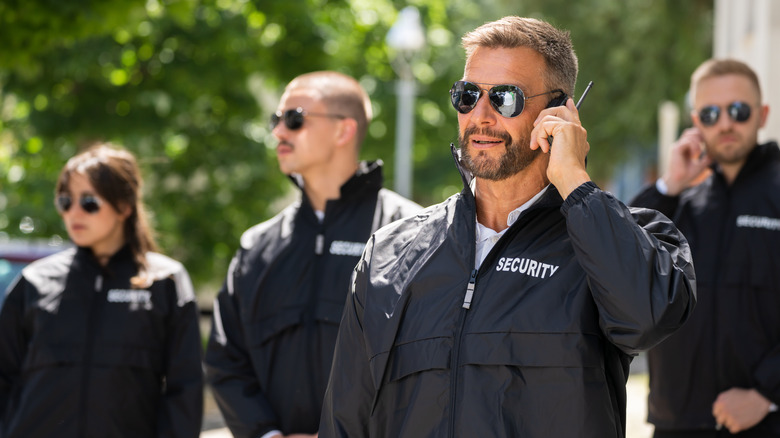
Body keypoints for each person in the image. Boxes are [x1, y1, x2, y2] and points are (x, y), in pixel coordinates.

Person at [319, 16, 697, 438]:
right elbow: (344, 420)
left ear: (558, 113)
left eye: (504, 97)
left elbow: (647, 319)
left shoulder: (620, 239)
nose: (480, 115)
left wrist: (574, 181)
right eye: (467, 96)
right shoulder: (389, 253)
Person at [203, 71, 421, 438]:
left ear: (343, 130)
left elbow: (426, 363)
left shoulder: (411, 234)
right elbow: (227, 359)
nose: (278, 132)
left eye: (294, 119)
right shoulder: (256, 246)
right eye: (276, 119)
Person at [0, 144, 203, 437]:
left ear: (123, 206)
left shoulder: (164, 283)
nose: (74, 213)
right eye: (65, 201)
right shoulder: (34, 281)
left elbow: (185, 391)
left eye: (89, 202)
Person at [631, 59, 780, 437]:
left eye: (739, 111)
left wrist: (767, 393)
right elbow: (625, 266)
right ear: (697, 122)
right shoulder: (679, 202)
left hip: (764, 422)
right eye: (711, 114)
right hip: (676, 423)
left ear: (762, 115)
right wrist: (669, 186)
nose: (726, 123)